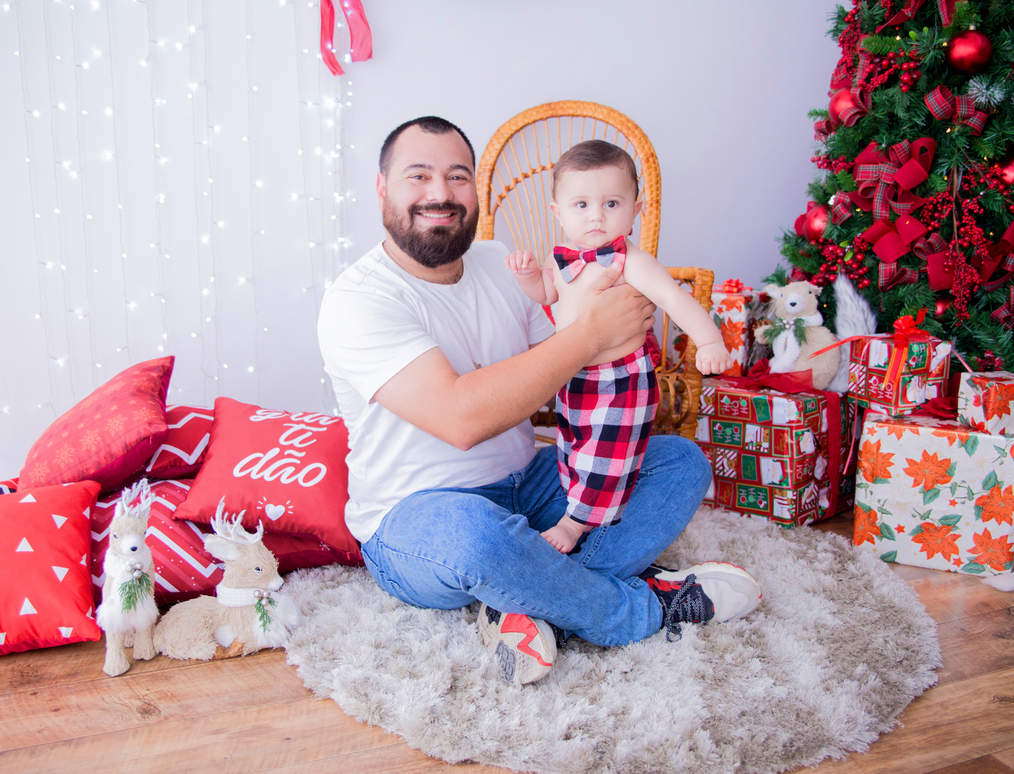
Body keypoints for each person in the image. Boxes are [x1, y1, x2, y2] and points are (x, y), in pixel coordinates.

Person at [317, 116, 760, 686]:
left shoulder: (499, 262)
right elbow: (461, 418)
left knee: (678, 463)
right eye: (418, 175)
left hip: (529, 481)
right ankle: (642, 609)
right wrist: (591, 335)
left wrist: (613, 335)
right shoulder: (359, 298)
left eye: (457, 176)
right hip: (419, 516)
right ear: (382, 188)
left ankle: (525, 598)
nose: (439, 193)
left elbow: (562, 368)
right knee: (475, 535)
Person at [505, 140, 732, 555]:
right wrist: (528, 278)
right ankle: (583, 506)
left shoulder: (631, 261)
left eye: (611, 203)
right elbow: (547, 296)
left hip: (620, 379)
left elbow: (674, 298)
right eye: (581, 205)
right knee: (573, 445)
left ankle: (575, 524)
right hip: (572, 374)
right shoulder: (561, 260)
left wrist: (709, 339)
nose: (596, 215)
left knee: (606, 453)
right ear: (557, 212)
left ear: (635, 209)